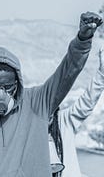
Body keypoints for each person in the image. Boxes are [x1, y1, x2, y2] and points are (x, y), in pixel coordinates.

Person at [0, 12, 103, 177]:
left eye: (8, 86)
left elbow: (67, 72)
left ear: (18, 83)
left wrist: (82, 41)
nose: (0, 93)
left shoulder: (36, 104)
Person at [49, 48, 104, 177]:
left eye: (51, 106)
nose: (47, 112)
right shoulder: (29, 129)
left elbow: (87, 102)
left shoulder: (65, 120)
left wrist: (102, 74)